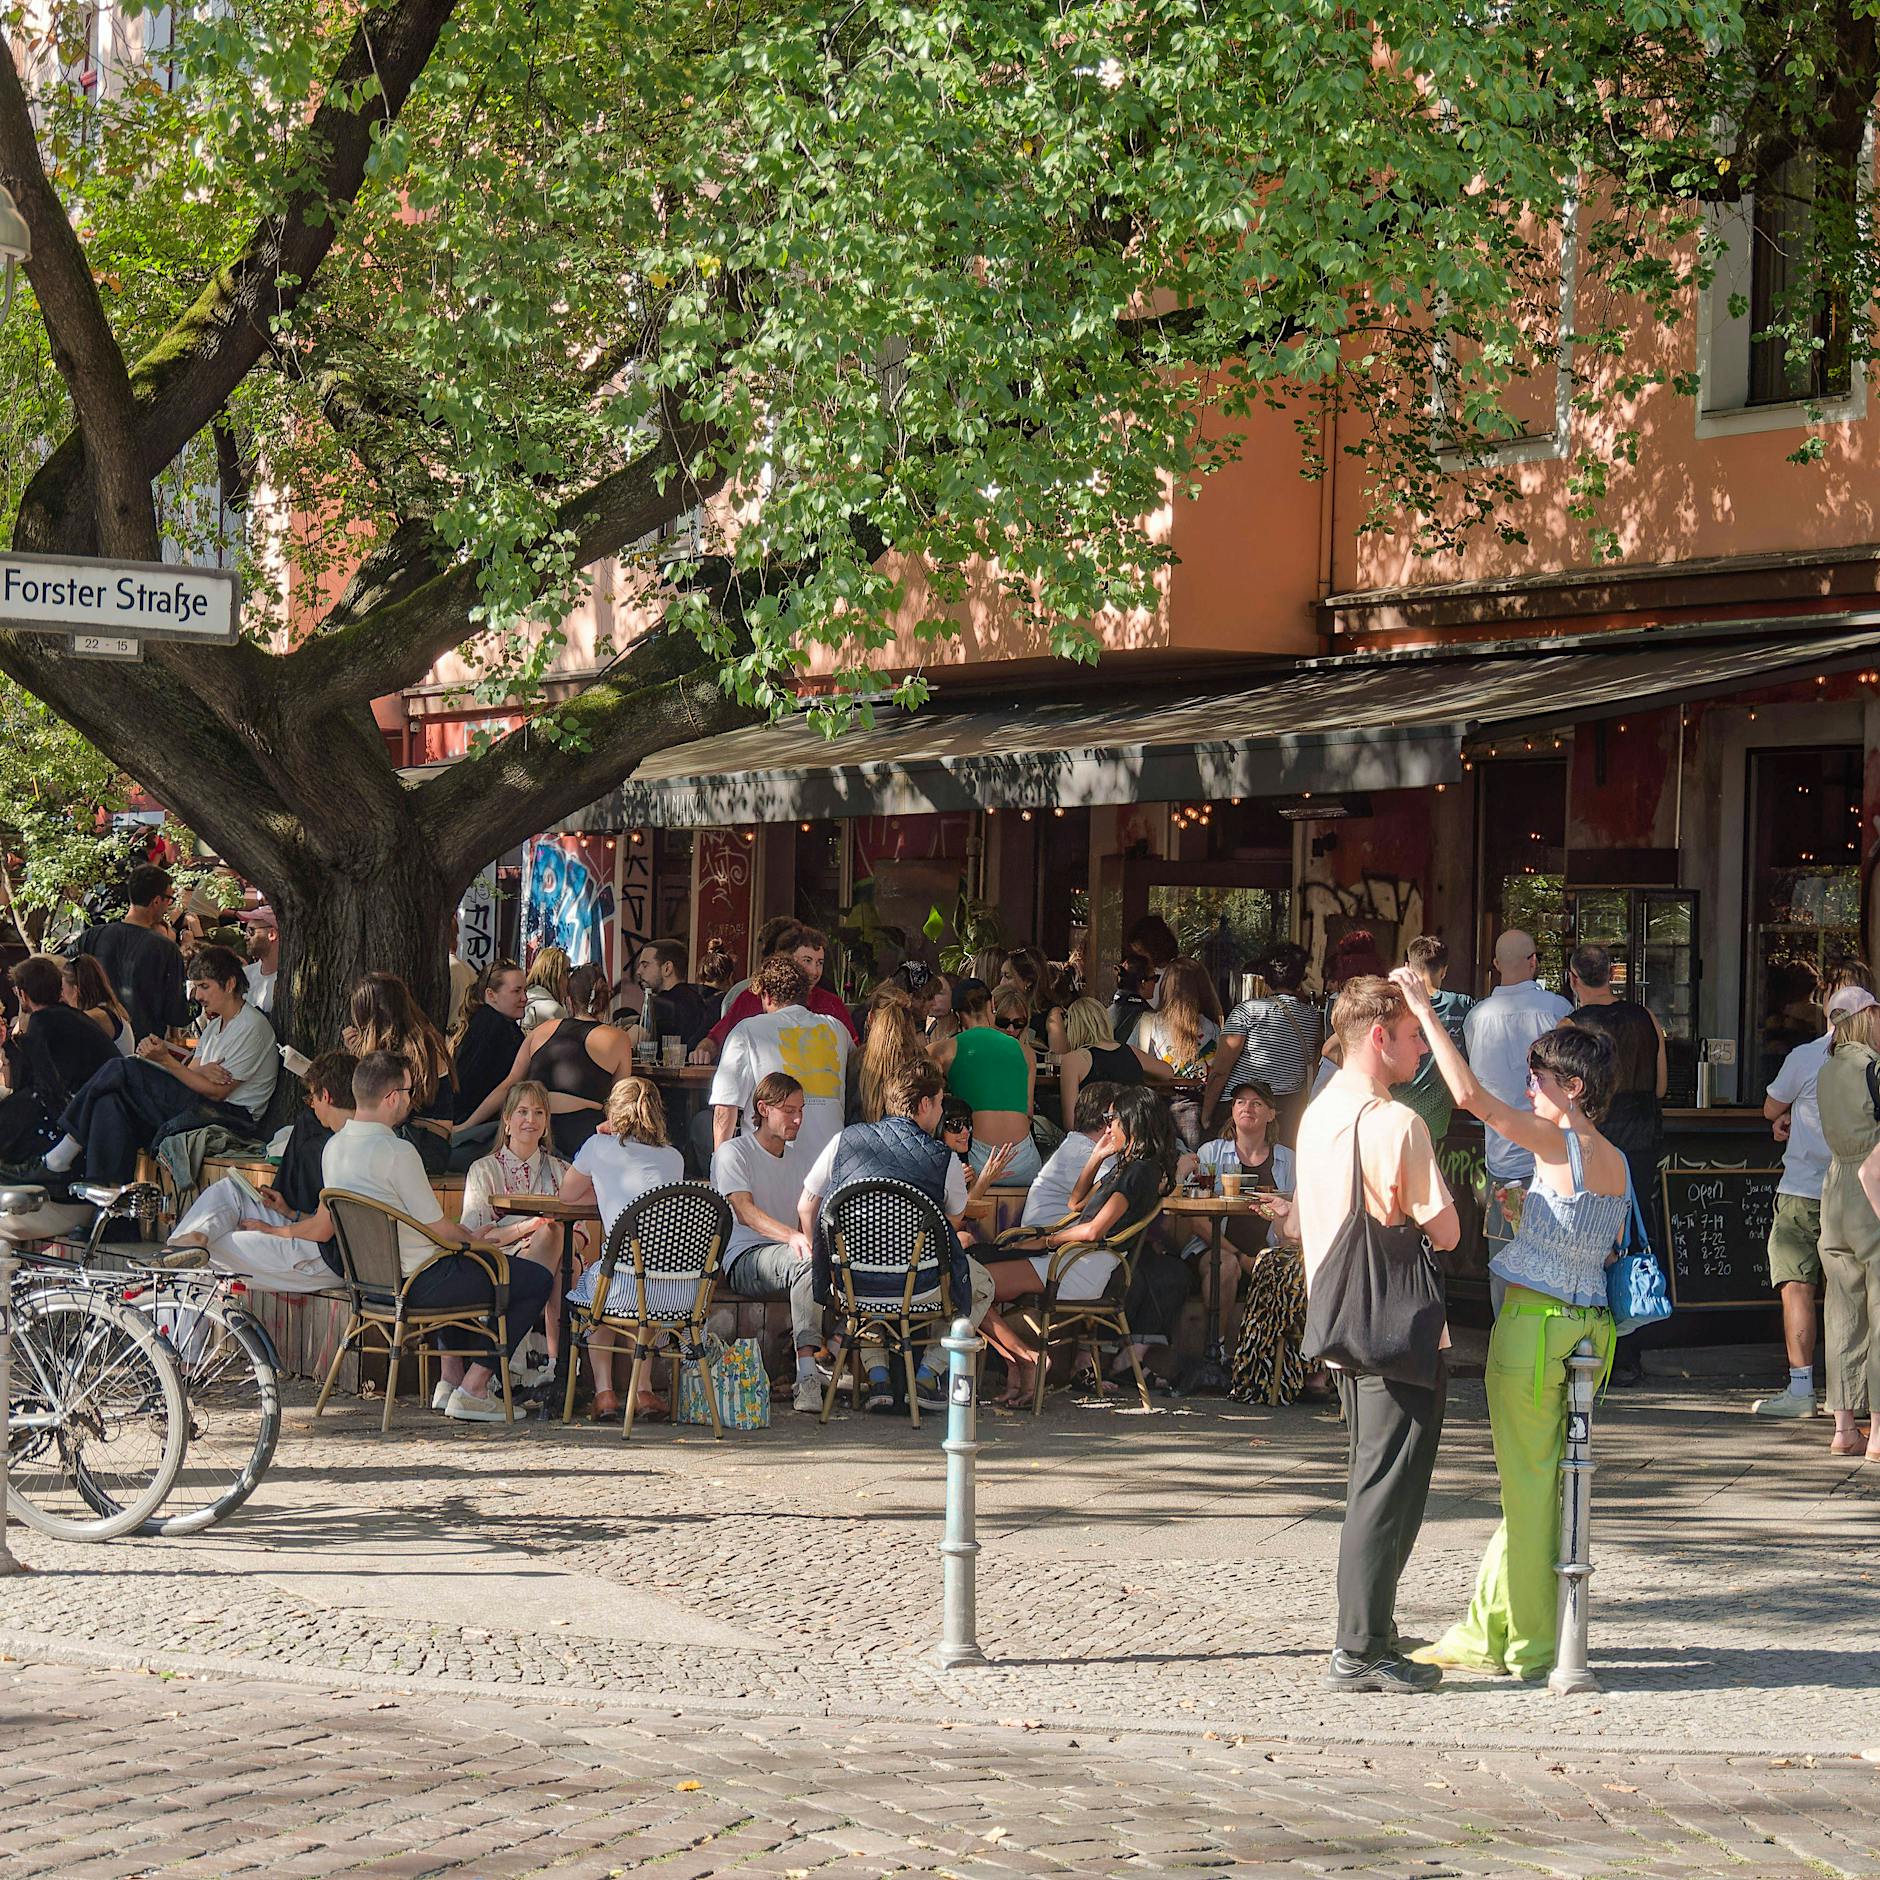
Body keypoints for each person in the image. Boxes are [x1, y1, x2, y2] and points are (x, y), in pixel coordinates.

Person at [1394, 967, 1626, 1683]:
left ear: (1573, 1088)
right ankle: (1492, 1627)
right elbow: (1606, 1244)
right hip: (1593, 1328)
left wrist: (1425, 1012)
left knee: (1529, 1488)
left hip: (1536, 1324)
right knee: (1549, 1482)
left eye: (1541, 1077)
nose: (1531, 1087)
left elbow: (1468, 1097)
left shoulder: (1560, 1144)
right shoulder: (1613, 1158)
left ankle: (1528, 1645)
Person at [1295, 974, 1459, 1695]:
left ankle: (1373, 1630)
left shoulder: (1319, 1111)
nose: (1421, 1047)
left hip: (1340, 1312)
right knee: (1389, 1486)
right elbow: (1447, 1230)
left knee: (1375, 1476)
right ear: (1379, 1036)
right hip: (1395, 1319)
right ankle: (1360, 1644)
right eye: (1415, 1034)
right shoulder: (1398, 1124)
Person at [324, 1050, 552, 1424]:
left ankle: (451, 1382)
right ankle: (475, 1388)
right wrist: (482, 1240)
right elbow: (441, 1231)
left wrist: (466, 1237)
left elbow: (434, 1230)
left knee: (462, 1262)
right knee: (532, 1279)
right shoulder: (397, 1151)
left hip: (369, 1284)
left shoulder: (333, 1147)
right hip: (416, 1283)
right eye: (410, 1092)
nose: (412, 1101)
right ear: (393, 1097)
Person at [797, 1058, 1026, 1413]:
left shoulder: (845, 1141)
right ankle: (927, 1374)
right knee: (981, 1283)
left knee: (869, 1295)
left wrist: (827, 1257)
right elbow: (950, 1227)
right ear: (924, 1105)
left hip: (851, 1283)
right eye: (939, 1101)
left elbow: (806, 1205)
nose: (940, 1108)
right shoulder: (943, 1159)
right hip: (917, 1287)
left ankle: (878, 1377)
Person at [35, 944, 277, 1185]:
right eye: (197, 987)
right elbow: (192, 1073)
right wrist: (198, 1070)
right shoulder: (215, 1026)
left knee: (123, 1068)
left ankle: (66, 1145)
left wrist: (166, 1060)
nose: (197, 996)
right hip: (203, 1104)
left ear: (230, 984)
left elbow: (216, 1091)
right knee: (110, 1102)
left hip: (230, 1116)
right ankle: (107, 1200)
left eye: (205, 986)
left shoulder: (251, 1027)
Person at [1006, 1083, 1183, 1403]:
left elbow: (1093, 1231)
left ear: (1132, 1122)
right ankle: (1020, 1376)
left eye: (1112, 1119)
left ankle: (1025, 1366)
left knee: (974, 1282)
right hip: (1074, 1259)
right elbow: (1076, 1204)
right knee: (978, 1280)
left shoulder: (1138, 1173)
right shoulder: (1124, 1167)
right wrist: (1098, 1155)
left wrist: (1047, 1240)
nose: (1107, 1125)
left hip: (1079, 1265)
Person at [1751, 983, 1873, 1417]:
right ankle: (1859, 1404)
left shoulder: (1806, 1059)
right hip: (1858, 1189)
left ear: (1827, 1011)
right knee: (1855, 1295)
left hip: (1804, 1186)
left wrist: (1783, 1116)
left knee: (1798, 1287)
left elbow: (1770, 1107)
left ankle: (1802, 1388)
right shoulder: (1870, 1065)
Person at [161, 1050, 358, 1291]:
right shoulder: (351, 1139)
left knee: (203, 1252)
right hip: (317, 1246)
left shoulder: (345, 1147)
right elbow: (332, 1221)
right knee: (229, 1190)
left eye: (312, 1098)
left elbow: (323, 1231)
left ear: (325, 1096)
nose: (312, 1106)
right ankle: (194, 1237)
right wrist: (290, 1212)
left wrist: (274, 1230)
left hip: (326, 1260)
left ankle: (168, 1304)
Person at [1566, 941, 1667, 1384]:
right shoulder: (1645, 1019)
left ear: (1573, 978)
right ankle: (1629, 1349)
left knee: (1591, 1240)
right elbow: (1661, 1086)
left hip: (1597, 1139)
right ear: (1613, 974)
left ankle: (1592, 1345)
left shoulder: (1572, 1026)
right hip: (1642, 1138)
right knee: (1634, 1239)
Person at [561, 1075, 686, 1420]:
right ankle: (642, 1390)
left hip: (625, 1290)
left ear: (613, 1113)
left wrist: (604, 1188)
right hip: (679, 1295)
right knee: (638, 1273)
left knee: (599, 1287)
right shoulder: (674, 1158)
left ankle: (604, 1394)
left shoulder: (598, 1147)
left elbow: (567, 1195)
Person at [459, 1080, 592, 1388]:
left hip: (558, 1257)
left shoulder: (562, 1170)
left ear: (546, 1123)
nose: (530, 1120)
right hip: (501, 1260)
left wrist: (547, 1236)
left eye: (538, 1112)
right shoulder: (484, 1170)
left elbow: (582, 1233)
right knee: (552, 1241)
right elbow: (475, 1237)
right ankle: (558, 1366)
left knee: (558, 1244)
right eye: (521, 1112)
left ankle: (536, 1364)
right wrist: (529, 1229)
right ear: (506, 1121)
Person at [711, 1071, 826, 1413]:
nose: (798, 1118)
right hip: (745, 1256)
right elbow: (744, 1211)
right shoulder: (734, 1152)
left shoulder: (802, 1158)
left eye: (801, 1110)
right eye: (789, 1110)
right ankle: (807, 1375)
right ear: (763, 1108)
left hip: (787, 1257)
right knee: (807, 1261)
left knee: (832, 1264)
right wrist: (793, 1236)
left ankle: (836, 1358)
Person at [1462, 930, 1573, 1268]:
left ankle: (1504, 1322)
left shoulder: (1475, 1018)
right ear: (1534, 962)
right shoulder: (1557, 1010)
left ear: (1495, 964)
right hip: (1551, 1159)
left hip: (1500, 1158)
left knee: (1504, 1265)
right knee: (1552, 1263)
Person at [1180, 1081, 1300, 1362]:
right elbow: (1196, 1219)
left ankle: (1275, 1363)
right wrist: (1241, 1256)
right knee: (1226, 1265)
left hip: (1270, 1251)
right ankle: (1216, 1352)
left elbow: (1294, 1216)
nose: (1248, 1108)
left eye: (1257, 1103)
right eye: (1241, 1102)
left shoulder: (1288, 1160)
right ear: (1232, 1111)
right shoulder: (1211, 1153)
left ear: (1271, 1114)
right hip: (1217, 1249)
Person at [455, 988, 637, 1161]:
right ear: (605, 1002)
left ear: (568, 1001)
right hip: (579, 1136)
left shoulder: (541, 1030)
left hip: (532, 1130)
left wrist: (466, 1126)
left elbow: (508, 1085)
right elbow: (621, 1103)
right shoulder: (618, 1037)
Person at [1816, 999, 1880, 1460]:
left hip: (1834, 1186)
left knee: (1841, 1309)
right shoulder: (1872, 1067)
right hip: (1872, 1184)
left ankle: (1843, 1428)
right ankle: (1879, 1432)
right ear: (1866, 1017)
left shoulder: (1824, 1067)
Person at [709, 955, 850, 1163]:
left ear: (766, 995)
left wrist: (720, 1166)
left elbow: (725, 1109)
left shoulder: (748, 1031)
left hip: (770, 1164)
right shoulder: (837, 1028)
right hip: (832, 1166)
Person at [0, 955, 121, 1163]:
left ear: (22, 993)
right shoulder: (72, 1017)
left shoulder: (43, 1024)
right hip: (103, 1105)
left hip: (85, 1113)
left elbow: (46, 1087)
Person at [1202, 942, 1323, 1146]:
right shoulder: (1312, 1018)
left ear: (1265, 977)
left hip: (1241, 1111)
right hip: (1285, 1112)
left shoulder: (1247, 1012)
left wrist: (1206, 1114)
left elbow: (1220, 1070)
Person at [341, 972, 455, 1177]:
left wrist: (361, 1059)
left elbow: (389, 1109)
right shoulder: (415, 1039)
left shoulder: (418, 1047)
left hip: (422, 1144)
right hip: (415, 1139)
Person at [698, 922, 860, 1061]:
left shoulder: (832, 1003)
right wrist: (703, 1051)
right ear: (787, 961)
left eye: (820, 963)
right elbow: (715, 1038)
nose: (815, 971)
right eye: (807, 961)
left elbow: (855, 1052)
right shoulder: (751, 997)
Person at [933, 981, 1040, 1186]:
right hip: (1025, 1160)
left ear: (956, 1015)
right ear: (992, 1005)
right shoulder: (1026, 1052)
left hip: (977, 1163)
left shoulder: (942, 1051)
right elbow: (1028, 1111)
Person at [75, 862, 188, 1044]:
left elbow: (59, 968)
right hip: (143, 1048)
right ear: (156, 901)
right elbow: (176, 1013)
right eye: (169, 899)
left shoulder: (92, 936)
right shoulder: (166, 949)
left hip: (94, 1039)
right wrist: (197, 1006)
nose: (169, 905)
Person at [1388, 937, 1475, 1142]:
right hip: (1435, 1119)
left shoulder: (1392, 1004)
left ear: (1408, 967)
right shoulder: (1461, 1005)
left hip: (1393, 1111)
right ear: (1444, 970)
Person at [449, 959, 527, 1163]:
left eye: (524, 990)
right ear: (490, 994)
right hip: (475, 1136)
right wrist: (466, 1126)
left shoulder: (489, 1022)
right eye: (516, 991)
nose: (524, 998)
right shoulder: (495, 1027)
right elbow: (503, 1087)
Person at [1051, 995, 1168, 1131]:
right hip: (1136, 1133)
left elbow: (1071, 1123)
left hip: (1098, 1138)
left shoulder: (1074, 1060)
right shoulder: (1131, 1051)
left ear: (1072, 1027)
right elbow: (1167, 1072)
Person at [1022, 1081, 1118, 1232]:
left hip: (1070, 1245)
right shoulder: (1080, 1152)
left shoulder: (1085, 1146)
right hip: (1054, 1249)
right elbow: (1122, 1191)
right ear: (1107, 1120)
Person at [856, 981, 929, 1125]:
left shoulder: (855, 1059)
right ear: (909, 1020)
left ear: (870, 1018)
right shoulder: (922, 1059)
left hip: (863, 1141)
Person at [630, 939, 718, 1056]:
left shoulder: (661, 1003)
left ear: (667, 968)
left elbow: (627, 1042)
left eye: (645, 965)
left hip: (661, 1073)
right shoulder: (698, 999)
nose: (638, 971)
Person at [61, 955, 135, 1056]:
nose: (61, 996)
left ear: (75, 990)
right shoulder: (110, 1008)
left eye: (62, 989)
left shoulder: (96, 1017)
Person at [239, 905, 280, 1015]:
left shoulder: (292, 981)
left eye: (251, 931)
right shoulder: (244, 975)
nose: (246, 937)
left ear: (272, 934)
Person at [522, 946, 572, 1031]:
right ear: (555, 975)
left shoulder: (521, 1003)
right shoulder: (555, 1011)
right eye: (566, 972)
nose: (569, 979)